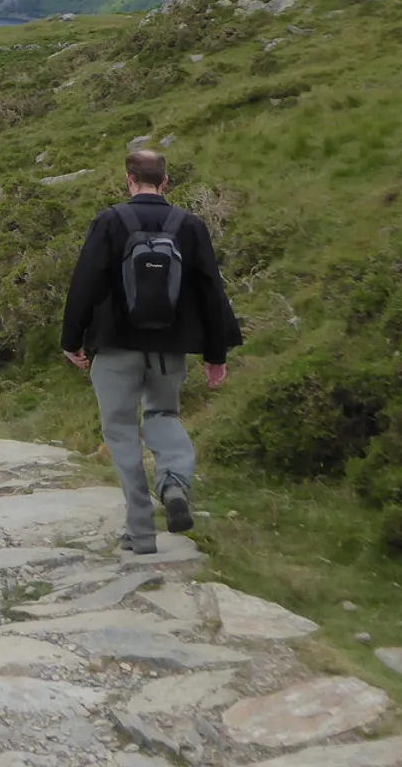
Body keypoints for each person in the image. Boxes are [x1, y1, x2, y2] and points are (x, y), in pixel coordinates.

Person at [61, 149, 242, 553]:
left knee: (121, 430)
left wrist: (71, 340)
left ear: (129, 180)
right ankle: (174, 483)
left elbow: (84, 283)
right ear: (165, 180)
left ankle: (141, 531)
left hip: (113, 347)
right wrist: (216, 354)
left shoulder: (110, 221)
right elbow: (212, 291)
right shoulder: (189, 225)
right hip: (168, 349)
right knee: (163, 414)